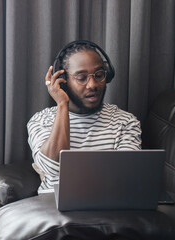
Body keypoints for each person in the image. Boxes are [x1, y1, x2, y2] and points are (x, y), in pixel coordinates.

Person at [27, 41, 142, 194]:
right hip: (53, 210)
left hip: (108, 207)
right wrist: (62, 104)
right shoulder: (41, 120)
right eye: (81, 78)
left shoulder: (125, 122)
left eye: (99, 75)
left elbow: (126, 177)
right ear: (63, 81)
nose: (92, 85)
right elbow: (52, 167)